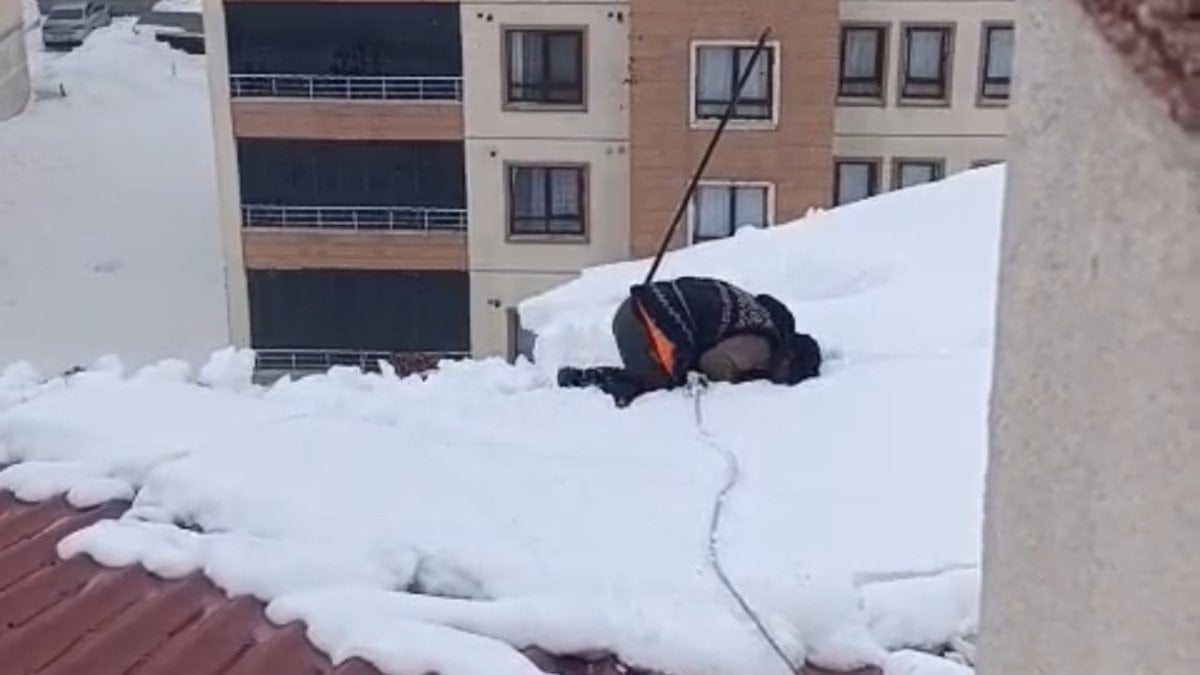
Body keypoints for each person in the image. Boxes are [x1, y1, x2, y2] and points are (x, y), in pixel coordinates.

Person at [557, 276, 822, 407]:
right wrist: (738, 377)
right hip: (647, 321)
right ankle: (585, 380)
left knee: (672, 369)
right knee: (661, 384)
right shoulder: (761, 345)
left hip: (641, 308)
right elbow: (713, 363)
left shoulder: (753, 311)